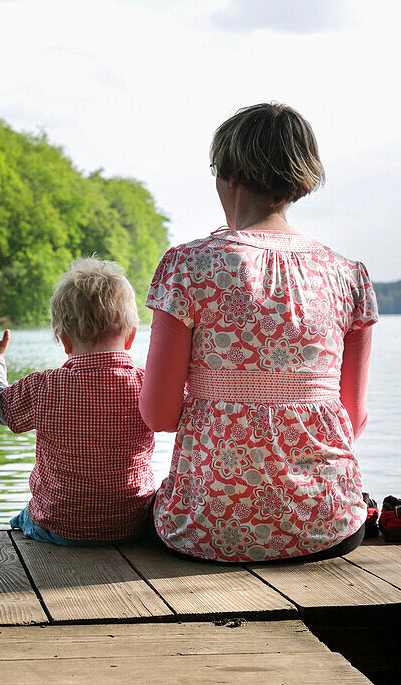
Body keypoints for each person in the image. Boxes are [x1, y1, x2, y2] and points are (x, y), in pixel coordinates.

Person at [140, 102, 378, 562]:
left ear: (229, 175)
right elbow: (352, 418)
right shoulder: (348, 275)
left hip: (204, 528)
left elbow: (159, 416)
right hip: (328, 526)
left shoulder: (189, 265)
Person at [0, 258, 155, 546]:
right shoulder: (147, 386)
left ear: (65, 341)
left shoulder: (44, 387)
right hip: (132, 524)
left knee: (22, 519)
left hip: (59, 526)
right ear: (130, 337)